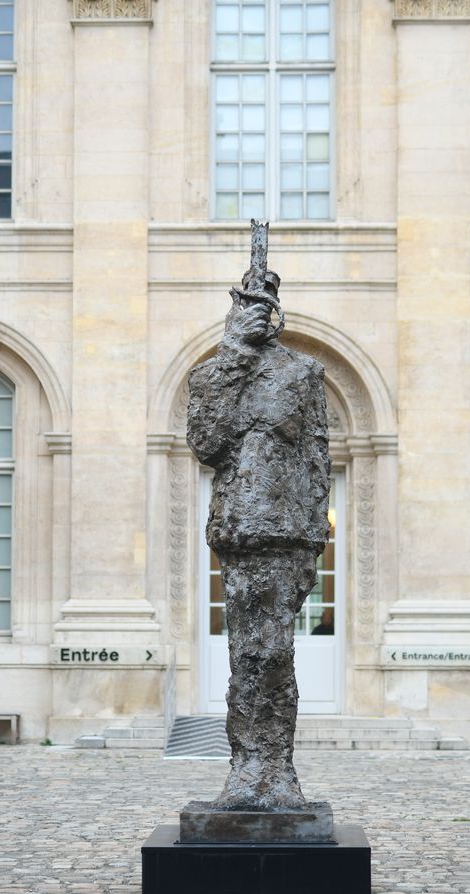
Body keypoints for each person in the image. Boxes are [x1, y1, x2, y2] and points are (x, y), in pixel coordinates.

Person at [187, 266, 330, 810]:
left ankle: (279, 769)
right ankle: (248, 768)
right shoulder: (212, 375)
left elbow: (317, 459)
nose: (258, 311)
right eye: (248, 302)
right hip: (241, 532)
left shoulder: (303, 372)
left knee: (275, 654)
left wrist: (315, 540)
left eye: (265, 302)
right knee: (250, 654)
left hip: (289, 533)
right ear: (234, 307)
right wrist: (234, 359)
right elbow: (206, 443)